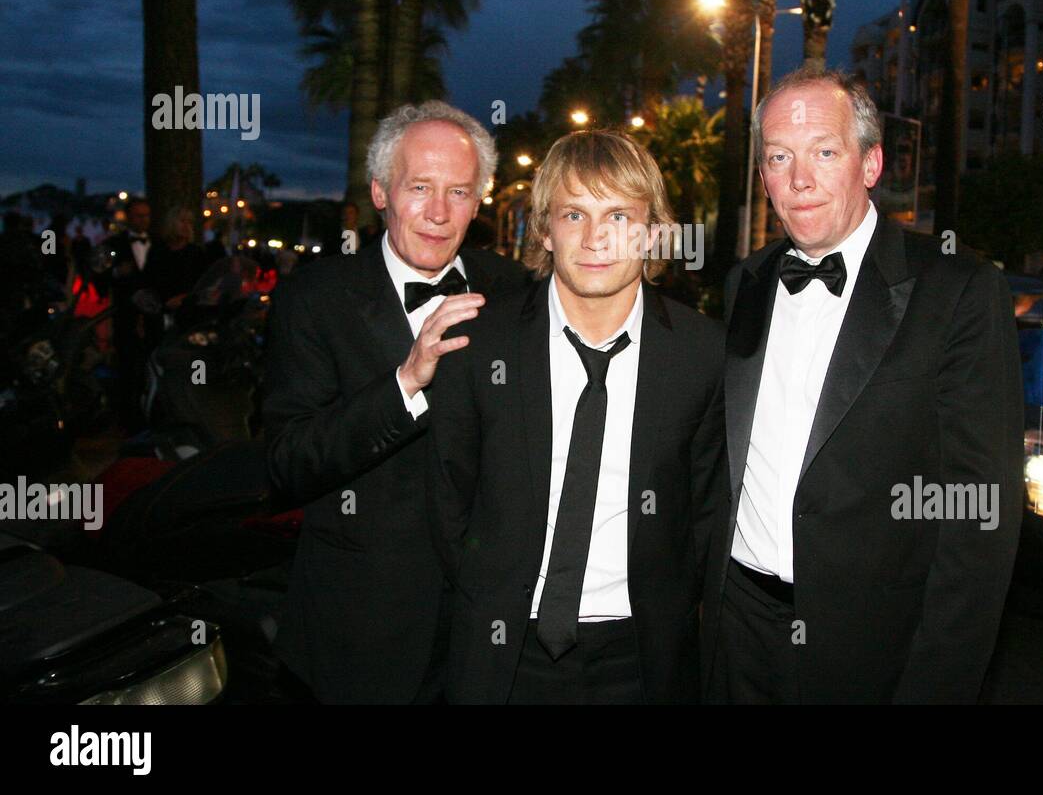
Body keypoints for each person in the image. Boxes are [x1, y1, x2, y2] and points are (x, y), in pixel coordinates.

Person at [705, 65, 1023, 704]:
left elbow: (979, 515)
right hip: (736, 632)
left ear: (871, 163)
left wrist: (938, 684)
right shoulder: (747, 281)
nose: (799, 179)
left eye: (824, 152)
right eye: (778, 157)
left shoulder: (959, 291)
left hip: (875, 649)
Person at [428, 131, 726, 704]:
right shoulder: (481, 347)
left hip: (642, 658)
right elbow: (448, 501)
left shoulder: (702, 354)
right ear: (544, 229)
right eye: (574, 214)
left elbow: (706, 512)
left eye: (619, 214)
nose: (596, 239)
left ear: (655, 231)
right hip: (503, 653)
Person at [262, 100, 530, 704]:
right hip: (357, 634)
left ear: (480, 199)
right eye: (420, 188)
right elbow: (287, 462)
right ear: (381, 192)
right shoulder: (315, 299)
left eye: (459, 192)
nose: (439, 213)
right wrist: (405, 382)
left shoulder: (513, 288)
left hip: (483, 630)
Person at [104, 197, 157, 431]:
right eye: (139, 215)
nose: (143, 220)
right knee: (127, 368)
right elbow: (101, 277)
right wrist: (116, 272)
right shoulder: (114, 245)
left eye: (146, 215)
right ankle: (127, 418)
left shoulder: (159, 244)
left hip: (154, 318)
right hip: (125, 316)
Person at [147, 207, 208, 318]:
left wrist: (183, 298)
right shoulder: (158, 251)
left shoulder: (196, 253)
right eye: (182, 221)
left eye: (189, 222)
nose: (186, 226)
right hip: (159, 312)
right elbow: (149, 281)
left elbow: (203, 285)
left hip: (189, 312)